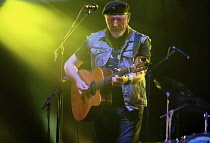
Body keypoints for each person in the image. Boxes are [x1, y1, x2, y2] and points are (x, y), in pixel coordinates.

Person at [64, 1, 151, 143]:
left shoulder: (141, 40)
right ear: (106, 19)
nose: (115, 24)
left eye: (119, 19)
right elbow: (69, 64)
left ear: (128, 17)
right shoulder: (93, 39)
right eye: (111, 19)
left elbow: (140, 72)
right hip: (101, 108)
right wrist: (78, 81)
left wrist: (126, 80)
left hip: (129, 107)